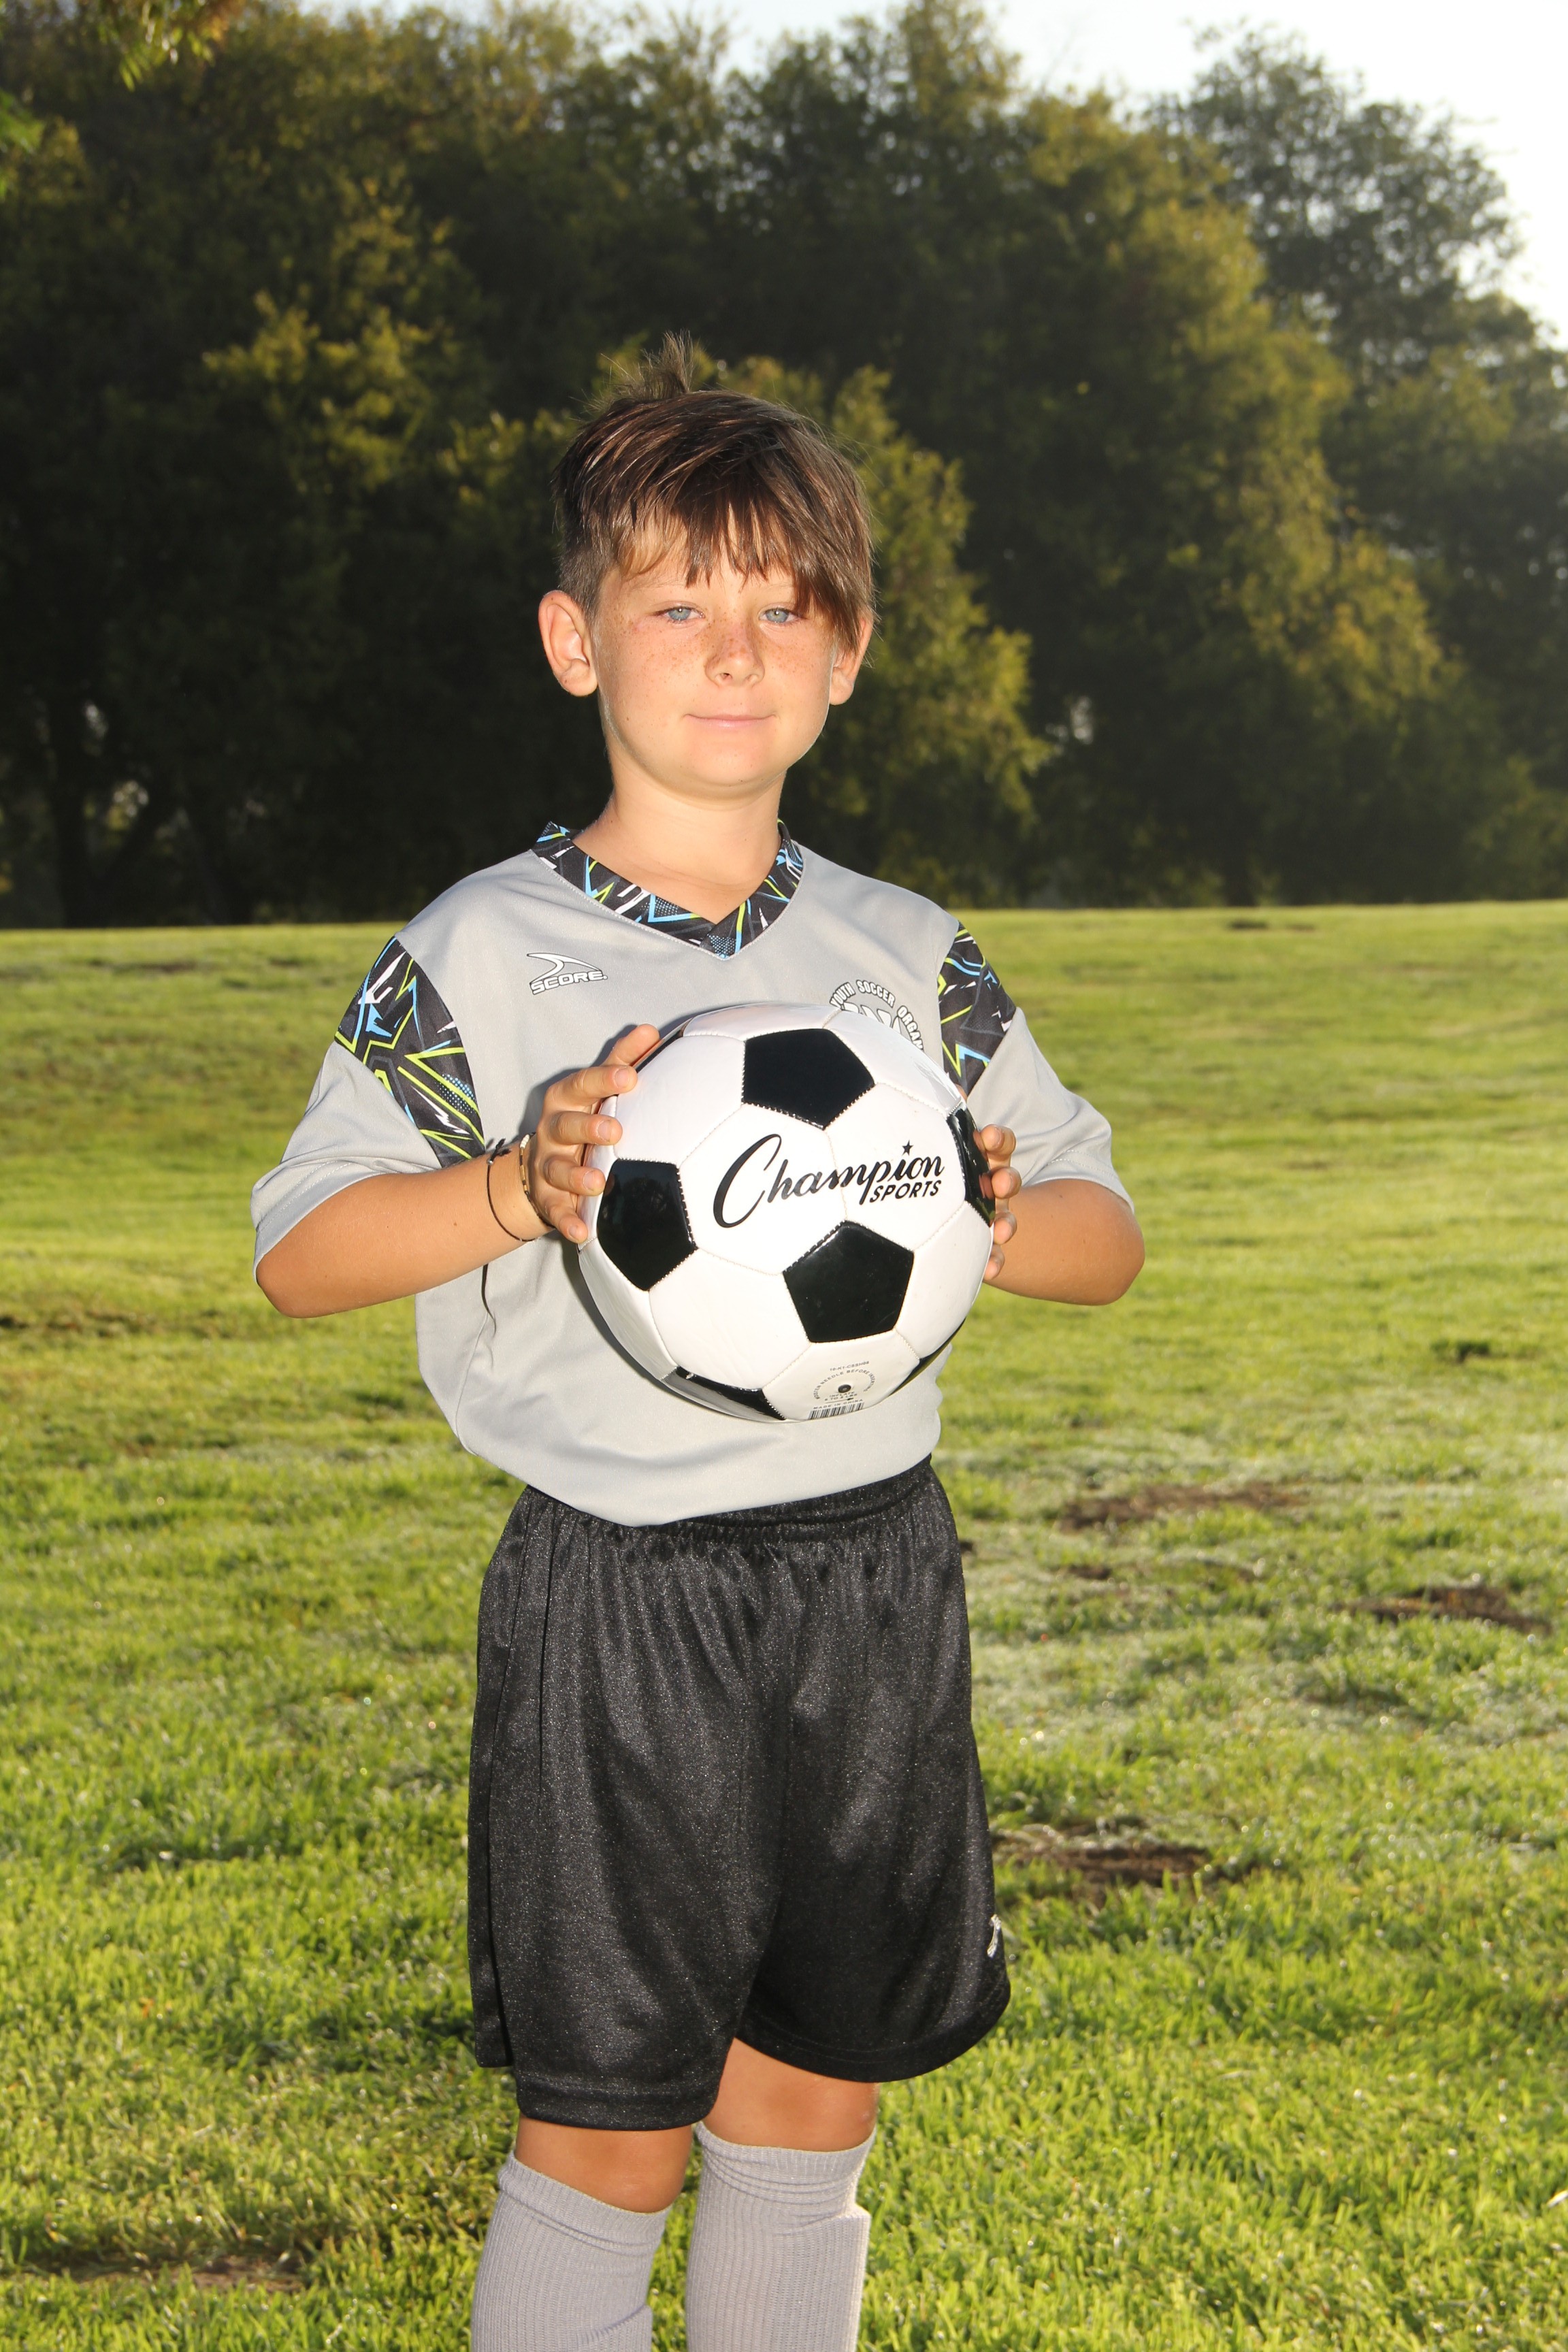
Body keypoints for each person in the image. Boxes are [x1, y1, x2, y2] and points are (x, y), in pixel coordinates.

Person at [252, 339, 1143, 2352]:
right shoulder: (477, 953)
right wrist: (518, 1182)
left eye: (785, 610)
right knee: (609, 2132)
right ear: (575, 641)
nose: (733, 652)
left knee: (813, 2105)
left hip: (874, 1578)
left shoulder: (909, 954)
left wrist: (984, 1214)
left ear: (849, 657)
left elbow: (1106, 1239)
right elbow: (301, 1254)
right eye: (676, 606)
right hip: (622, 1597)